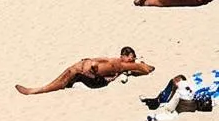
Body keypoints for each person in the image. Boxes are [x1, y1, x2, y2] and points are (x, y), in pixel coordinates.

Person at [16, 47, 154, 94]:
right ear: (122, 56)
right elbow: (103, 60)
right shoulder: (115, 61)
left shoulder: (125, 65)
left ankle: (36, 90)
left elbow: (147, 69)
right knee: (71, 70)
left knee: (71, 72)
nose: (132, 60)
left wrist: (142, 65)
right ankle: (41, 88)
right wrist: (91, 60)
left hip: (95, 80)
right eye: (131, 57)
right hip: (89, 73)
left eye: (133, 58)